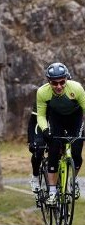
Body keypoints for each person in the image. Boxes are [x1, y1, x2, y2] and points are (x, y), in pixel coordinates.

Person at [36, 62, 85, 204]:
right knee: (53, 150)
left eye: (62, 82)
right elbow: (40, 115)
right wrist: (45, 130)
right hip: (56, 118)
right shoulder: (42, 92)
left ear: (66, 79)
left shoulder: (76, 88)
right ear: (49, 82)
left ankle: (73, 180)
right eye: (54, 83)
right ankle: (52, 192)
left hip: (75, 118)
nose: (58, 86)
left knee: (76, 153)